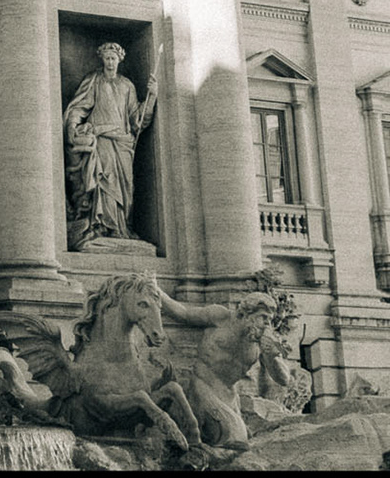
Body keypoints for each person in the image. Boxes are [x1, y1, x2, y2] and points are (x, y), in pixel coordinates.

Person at [157, 289, 287, 450]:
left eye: (270, 319)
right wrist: (158, 292)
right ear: (246, 314)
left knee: (238, 439)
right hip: (202, 386)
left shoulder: (262, 343)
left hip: (230, 396)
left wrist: (272, 356)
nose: (267, 324)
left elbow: (283, 379)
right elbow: (183, 313)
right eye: (263, 317)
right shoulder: (220, 317)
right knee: (233, 437)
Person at [64, 42, 159, 248]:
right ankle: (103, 226)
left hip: (123, 142)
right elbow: (80, 107)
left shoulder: (127, 86)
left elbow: (137, 119)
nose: (110, 62)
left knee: (125, 186)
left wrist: (151, 97)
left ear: (119, 60)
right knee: (105, 182)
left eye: (113, 58)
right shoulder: (94, 81)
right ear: (102, 59)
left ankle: (121, 226)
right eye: (106, 58)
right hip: (103, 139)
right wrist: (72, 125)